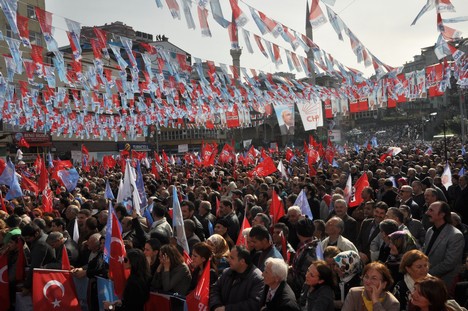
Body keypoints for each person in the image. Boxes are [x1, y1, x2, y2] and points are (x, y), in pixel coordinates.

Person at [423, 201, 465, 291]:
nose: (427, 213)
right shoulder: (430, 230)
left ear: (442, 214)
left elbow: (449, 263)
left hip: (443, 283)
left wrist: (427, 273)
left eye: (431, 210)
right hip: (427, 279)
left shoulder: (455, 235)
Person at [209, 245, 264, 311]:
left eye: (232, 258)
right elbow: (215, 288)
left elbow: (253, 304)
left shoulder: (257, 279)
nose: (228, 260)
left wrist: (226, 309)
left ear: (242, 261)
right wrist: (216, 305)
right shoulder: (227, 272)